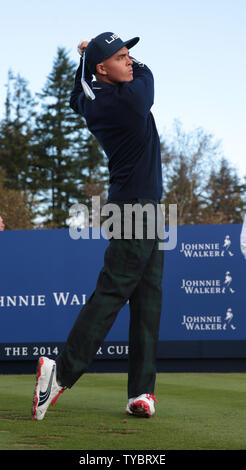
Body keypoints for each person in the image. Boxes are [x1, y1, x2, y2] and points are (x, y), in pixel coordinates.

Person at [32, 32, 164, 420]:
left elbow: (78, 94)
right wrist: (109, 61)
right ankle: (61, 372)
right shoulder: (126, 102)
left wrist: (86, 60)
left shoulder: (94, 100)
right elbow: (148, 80)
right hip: (135, 209)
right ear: (103, 70)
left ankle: (141, 392)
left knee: (148, 300)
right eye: (122, 58)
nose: (131, 62)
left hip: (145, 208)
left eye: (130, 56)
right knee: (114, 290)